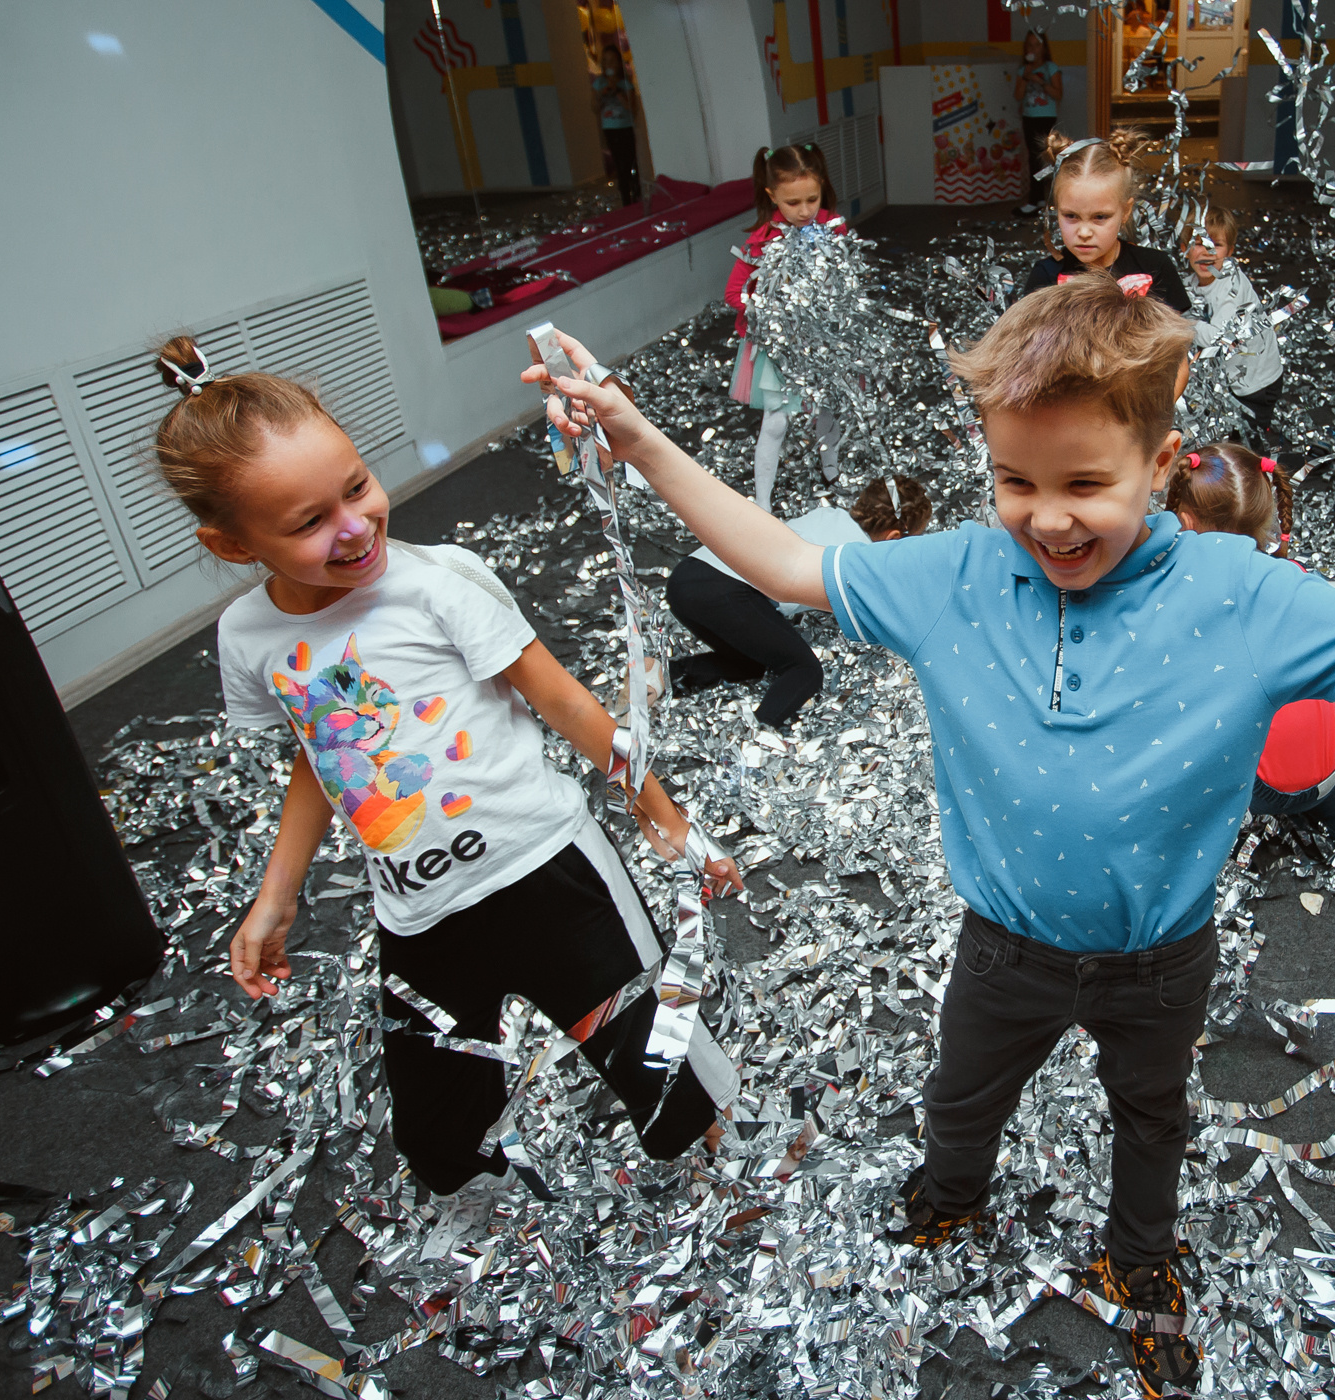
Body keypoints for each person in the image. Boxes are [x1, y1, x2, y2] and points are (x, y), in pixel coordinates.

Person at [525, 278, 1335, 1396]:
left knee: (1150, 1112)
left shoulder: (1247, 596)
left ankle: (1142, 1257)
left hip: (1162, 953)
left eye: (1084, 484)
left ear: (1163, 464)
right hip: (1001, 945)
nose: (1047, 519)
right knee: (960, 1099)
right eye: (1016, 480)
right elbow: (787, 560)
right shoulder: (954, 573)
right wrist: (635, 436)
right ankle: (950, 1200)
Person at [146, 338, 745, 1253]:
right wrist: (277, 896)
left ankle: (717, 1160)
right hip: (420, 910)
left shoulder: (437, 584)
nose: (352, 526)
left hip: (548, 867)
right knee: (436, 1113)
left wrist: (657, 808)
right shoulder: (249, 636)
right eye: (309, 521)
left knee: (648, 1053)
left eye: (356, 487)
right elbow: (317, 755)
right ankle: (472, 1198)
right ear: (231, 544)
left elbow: (559, 697)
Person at [1165, 443, 1335, 923]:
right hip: (1326, 765)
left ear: (1183, 523)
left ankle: (1214, 835)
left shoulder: (1186, 599)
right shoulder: (1295, 581)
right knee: (1317, 794)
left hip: (1258, 783)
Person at [666, 476, 932, 730]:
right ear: (893, 538)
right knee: (805, 670)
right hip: (727, 591)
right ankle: (755, 737)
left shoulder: (829, 514)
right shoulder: (859, 558)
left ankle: (666, 676)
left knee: (751, 663)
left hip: (689, 575)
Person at [726, 143, 846, 512]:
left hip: (823, 342)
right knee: (776, 421)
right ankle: (762, 503)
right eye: (793, 203)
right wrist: (773, 311)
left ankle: (833, 473)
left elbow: (845, 279)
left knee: (828, 410)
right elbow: (734, 292)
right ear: (771, 195)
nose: (805, 211)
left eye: (812, 199)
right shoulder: (762, 241)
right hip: (781, 347)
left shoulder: (833, 228)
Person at [1018, 131, 1193, 314]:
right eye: (1071, 216)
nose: (1084, 232)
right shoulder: (1045, 275)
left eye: (1100, 217)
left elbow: (1175, 336)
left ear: (1125, 211)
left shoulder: (1156, 267)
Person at [1181, 206, 1286, 456]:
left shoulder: (1233, 286)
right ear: (1184, 248)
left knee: (1248, 450)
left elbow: (1217, 338)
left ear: (1230, 251)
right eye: (1197, 244)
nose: (1206, 253)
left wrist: (1181, 321)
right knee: (1222, 441)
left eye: (1215, 245)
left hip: (1256, 384)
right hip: (1228, 383)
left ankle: (1264, 485)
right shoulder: (1190, 285)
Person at [1015, 30, 1064, 215]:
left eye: (1037, 45)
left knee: (1043, 159)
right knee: (1033, 159)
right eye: (1029, 45)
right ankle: (1038, 199)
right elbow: (1018, 96)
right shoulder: (1023, 70)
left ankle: (1037, 199)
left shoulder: (1051, 67)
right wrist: (1025, 76)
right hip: (1029, 117)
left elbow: (1058, 94)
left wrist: (1040, 82)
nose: (1033, 49)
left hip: (1046, 117)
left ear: (1043, 47)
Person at [592, 46, 641, 207]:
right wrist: (601, 96)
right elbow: (594, 108)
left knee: (629, 161)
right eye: (605, 62)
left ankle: (636, 191)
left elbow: (631, 108)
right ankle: (626, 198)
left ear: (619, 64)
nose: (609, 65)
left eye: (612, 61)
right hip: (610, 129)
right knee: (619, 164)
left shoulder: (626, 83)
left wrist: (618, 91)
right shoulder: (599, 84)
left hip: (625, 127)